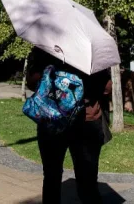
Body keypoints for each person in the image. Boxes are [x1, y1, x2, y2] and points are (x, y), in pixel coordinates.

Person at [26, 48, 113, 204]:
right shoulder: (90, 50)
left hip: (52, 120)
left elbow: (32, 83)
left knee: (52, 177)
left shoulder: (43, 48)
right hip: (87, 121)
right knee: (87, 180)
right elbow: (107, 89)